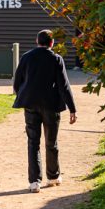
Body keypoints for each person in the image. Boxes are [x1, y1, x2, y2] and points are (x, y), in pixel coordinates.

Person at [13, 29, 77, 193]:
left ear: (37, 41)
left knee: (33, 142)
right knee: (51, 142)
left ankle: (34, 181)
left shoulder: (27, 57)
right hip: (51, 105)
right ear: (52, 43)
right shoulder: (56, 59)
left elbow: (17, 80)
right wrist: (72, 108)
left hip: (31, 104)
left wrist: (21, 94)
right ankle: (53, 176)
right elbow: (64, 85)